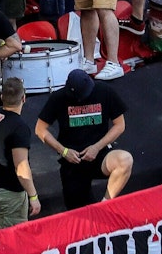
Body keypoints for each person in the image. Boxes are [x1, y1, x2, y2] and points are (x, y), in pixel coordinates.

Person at [34, 70, 134, 210]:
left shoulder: (104, 91)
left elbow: (120, 125)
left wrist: (97, 147)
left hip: (100, 154)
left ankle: (106, 205)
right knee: (78, 212)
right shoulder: (59, 97)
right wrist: (63, 151)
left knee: (125, 159)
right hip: (72, 159)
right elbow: (40, 129)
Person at [0, 78, 39, 229]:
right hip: (11, 195)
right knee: (14, 243)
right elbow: (21, 167)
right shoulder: (20, 127)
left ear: (1, 96)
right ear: (23, 98)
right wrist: (33, 196)